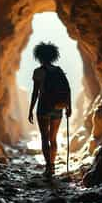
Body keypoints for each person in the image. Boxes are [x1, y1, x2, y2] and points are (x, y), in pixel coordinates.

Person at [28, 42, 72, 177]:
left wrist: (30, 110)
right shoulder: (59, 70)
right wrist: (69, 107)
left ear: (39, 57)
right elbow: (68, 89)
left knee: (44, 137)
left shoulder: (38, 71)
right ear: (53, 56)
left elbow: (35, 92)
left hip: (43, 107)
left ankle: (48, 167)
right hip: (58, 107)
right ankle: (52, 166)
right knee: (53, 138)